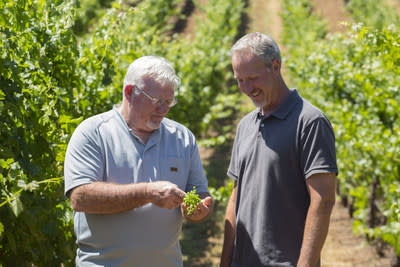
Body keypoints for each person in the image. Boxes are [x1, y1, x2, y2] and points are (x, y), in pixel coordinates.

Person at [64, 55, 213, 267]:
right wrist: (148, 193)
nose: (164, 109)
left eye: (169, 101)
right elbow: (80, 198)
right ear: (129, 92)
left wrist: (200, 209)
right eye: (157, 101)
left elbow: (200, 193)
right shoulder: (93, 134)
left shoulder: (182, 137)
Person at [220, 32, 338, 267]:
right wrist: (225, 262)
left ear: (276, 66)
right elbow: (235, 198)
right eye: (239, 79)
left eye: (252, 78)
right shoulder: (245, 125)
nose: (246, 87)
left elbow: (323, 200)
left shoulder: (310, 121)